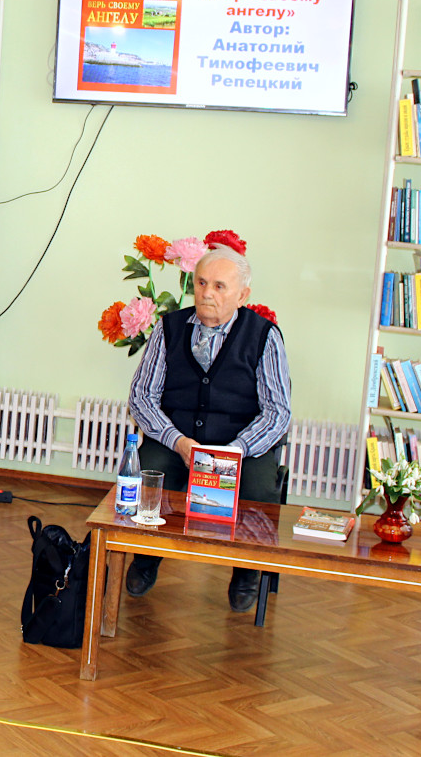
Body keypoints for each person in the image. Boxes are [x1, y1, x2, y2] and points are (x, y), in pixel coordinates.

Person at [125, 244, 290, 612]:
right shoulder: (168, 328)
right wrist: (177, 441)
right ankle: (146, 555)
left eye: (219, 286)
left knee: (258, 489)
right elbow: (141, 397)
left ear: (242, 295)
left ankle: (247, 568)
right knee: (150, 472)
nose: (207, 293)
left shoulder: (264, 336)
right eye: (201, 283)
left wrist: (234, 451)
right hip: (177, 438)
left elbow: (277, 411)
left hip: (241, 444)